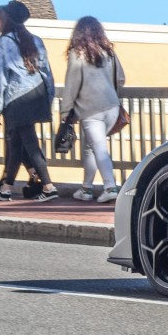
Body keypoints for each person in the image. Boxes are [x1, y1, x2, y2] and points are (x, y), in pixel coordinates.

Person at [0, 1, 58, 202]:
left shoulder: (1, 44)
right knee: (17, 142)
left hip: (17, 98)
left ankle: (48, 186)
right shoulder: (36, 40)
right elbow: (48, 74)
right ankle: (6, 187)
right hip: (36, 95)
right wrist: (48, 98)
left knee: (29, 143)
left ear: (5, 20)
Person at [59, 16, 125, 203]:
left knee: (99, 149)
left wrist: (65, 112)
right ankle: (86, 188)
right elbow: (121, 78)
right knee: (91, 148)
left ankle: (110, 187)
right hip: (112, 106)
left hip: (90, 109)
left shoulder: (77, 54)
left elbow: (72, 85)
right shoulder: (109, 53)